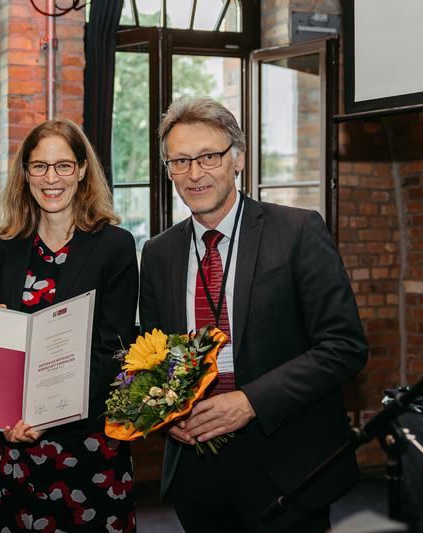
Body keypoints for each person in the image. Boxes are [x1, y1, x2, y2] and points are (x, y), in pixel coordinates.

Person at [139, 98, 368, 532]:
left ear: (238, 158)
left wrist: (250, 402)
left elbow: (344, 347)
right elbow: (155, 357)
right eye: (180, 161)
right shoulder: (157, 253)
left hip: (287, 463)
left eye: (209, 156)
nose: (194, 173)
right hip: (195, 468)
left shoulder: (298, 231)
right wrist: (165, 416)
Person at [0, 118, 138, 532]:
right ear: (25, 173)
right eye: (39, 166)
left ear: (82, 170)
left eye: (63, 165)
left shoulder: (115, 246)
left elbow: (112, 352)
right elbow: (2, 345)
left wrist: (48, 414)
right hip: (17, 444)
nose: (52, 178)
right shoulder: (4, 246)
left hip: (88, 446)